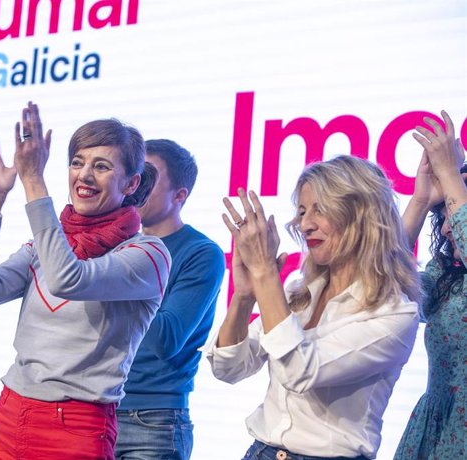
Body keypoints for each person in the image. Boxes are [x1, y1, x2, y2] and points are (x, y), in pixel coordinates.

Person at [0, 102, 171, 460]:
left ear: (131, 182)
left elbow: (67, 279)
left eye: (101, 166)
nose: (84, 176)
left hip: (75, 425)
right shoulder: (48, 243)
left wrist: (32, 181)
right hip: (10, 412)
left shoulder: (148, 255)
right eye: (77, 162)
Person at [205, 155, 421, 460]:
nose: (305, 225)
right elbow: (228, 368)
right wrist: (243, 297)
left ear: (362, 214)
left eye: (320, 210)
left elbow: (299, 371)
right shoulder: (299, 293)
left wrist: (266, 273)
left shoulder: (394, 315)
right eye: (303, 211)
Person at [115, 139, 224, 460]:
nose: (136, 186)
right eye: (134, 175)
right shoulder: (117, 245)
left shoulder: (200, 253)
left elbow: (165, 339)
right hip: (95, 408)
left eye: (148, 177)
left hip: (152, 421)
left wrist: (117, 277)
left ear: (180, 196)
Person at [395, 111, 466, 459]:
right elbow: (386, 281)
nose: (450, 227)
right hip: (433, 431)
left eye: (458, 213)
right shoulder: (445, 273)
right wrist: (421, 201)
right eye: (446, 216)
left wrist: (452, 174)